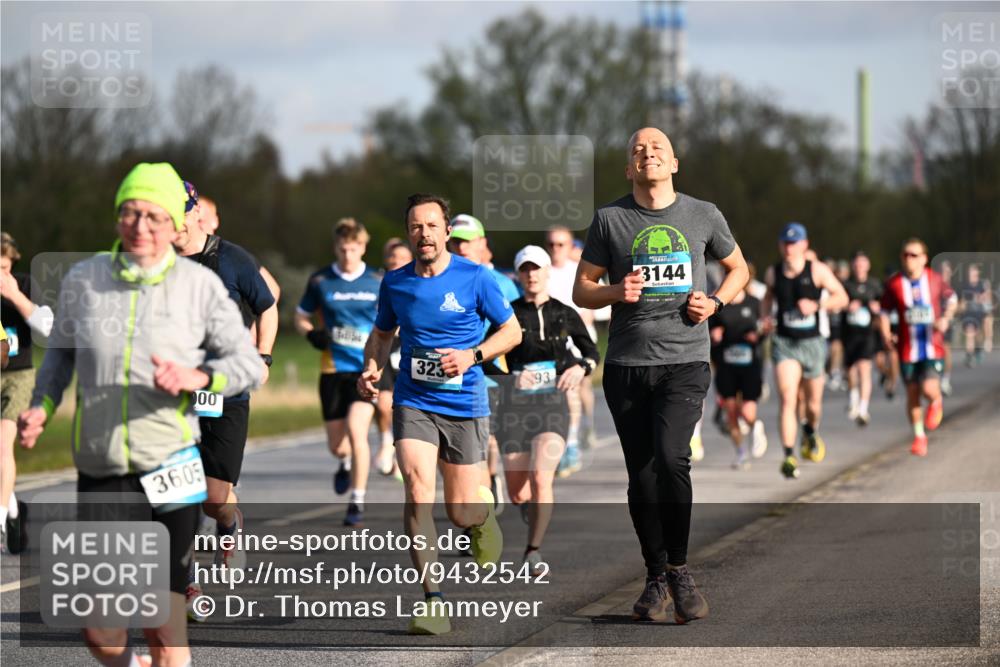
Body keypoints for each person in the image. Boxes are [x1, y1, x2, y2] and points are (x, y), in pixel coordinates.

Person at [18, 162, 263, 666]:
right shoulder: (86, 281)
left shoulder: (198, 287)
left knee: (164, 627)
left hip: (173, 463)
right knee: (102, 631)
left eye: (154, 215)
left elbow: (247, 367)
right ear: (117, 218)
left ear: (175, 225)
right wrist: (41, 405)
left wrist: (201, 378)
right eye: (130, 212)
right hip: (105, 466)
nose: (141, 225)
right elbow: (61, 353)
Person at [574, 127, 749, 624]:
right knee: (642, 476)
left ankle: (680, 568)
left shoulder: (703, 214)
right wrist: (615, 293)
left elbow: (740, 270)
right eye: (637, 151)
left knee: (673, 458)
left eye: (657, 149)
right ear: (629, 169)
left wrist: (715, 302)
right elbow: (581, 290)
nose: (647, 155)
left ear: (674, 163)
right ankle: (656, 578)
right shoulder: (610, 219)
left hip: (685, 360)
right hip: (627, 364)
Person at [356, 193, 521, 635]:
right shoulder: (395, 282)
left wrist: (474, 355)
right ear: (408, 232)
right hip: (414, 400)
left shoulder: (476, 277)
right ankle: (433, 601)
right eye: (415, 226)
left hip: (465, 401)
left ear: (446, 231)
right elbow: (382, 333)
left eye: (432, 225)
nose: (424, 233)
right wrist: (371, 365)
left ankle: (481, 517)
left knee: (460, 511)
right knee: (416, 488)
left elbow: (512, 331)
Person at [172, 181, 277, 616]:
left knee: (215, 498)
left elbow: (268, 305)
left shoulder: (232, 259)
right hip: (174, 393)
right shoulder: (153, 264)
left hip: (226, 391)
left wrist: (265, 358)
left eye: (175, 211)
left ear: (196, 212)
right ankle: (186, 586)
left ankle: (230, 525)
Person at [489, 245, 599, 575]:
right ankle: (528, 509)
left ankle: (532, 550)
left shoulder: (564, 312)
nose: (532, 274)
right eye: (525, 269)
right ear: (519, 275)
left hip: (552, 405)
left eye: (537, 268)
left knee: (541, 477)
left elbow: (591, 351)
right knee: (518, 492)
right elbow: (483, 356)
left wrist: (581, 368)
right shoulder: (506, 315)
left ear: (548, 271)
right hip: (514, 410)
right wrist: (509, 379)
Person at [295, 218, 381, 527]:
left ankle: (357, 500)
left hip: (364, 369)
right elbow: (301, 316)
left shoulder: (376, 280)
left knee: (358, 432)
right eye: (343, 249)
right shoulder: (321, 281)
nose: (348, 255)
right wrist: (311, 334)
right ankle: (344, 461)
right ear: (336, 248)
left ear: (363, 247)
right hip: (332, 369)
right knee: (337, 445)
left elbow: (391, 322)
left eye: (354, 249)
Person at [447, 213, 521, 513]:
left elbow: (518, 330)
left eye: (468, 242)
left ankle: (485, 489)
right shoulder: (442, 281)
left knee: (487, 440)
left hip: (494, 376)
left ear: (482, 244)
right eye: (456, 242)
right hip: (451, 378)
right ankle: (482, 490)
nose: (462, 248)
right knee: (460, 453)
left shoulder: (503, 283)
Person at [763, 223, 848, 480]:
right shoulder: (773, 273)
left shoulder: (818, 271)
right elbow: (767, 298)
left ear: (804, 245)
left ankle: (810, 431)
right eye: (785, 243)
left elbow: (841, 297)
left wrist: (817, 305)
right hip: (785, 343)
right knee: (788, 398)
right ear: (780, 245)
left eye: (794, 243)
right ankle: (789, 455)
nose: (789, 248)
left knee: (812, 404)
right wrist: (765, 317)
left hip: (812, 344)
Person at [1, 232, 54, 554]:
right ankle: (15, 511)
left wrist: (15, 295)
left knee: (2, 445)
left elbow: (48, 327)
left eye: (4, 268)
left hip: (19, 376)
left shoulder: (23, 284)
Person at [879, 238, 957, 456]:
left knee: (928, 389)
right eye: (905, 255)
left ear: (924, 258)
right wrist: (886, 334)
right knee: (912, 394)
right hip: (907, 349)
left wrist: (946, 319)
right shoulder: (894, 284)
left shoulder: (934, 279)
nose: (908, 259)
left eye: (913, 255)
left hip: (932, 347)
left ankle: (936, 400)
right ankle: (919, 436)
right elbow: (884, 311)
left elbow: (953, 299)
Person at [546, 225, 597, 474]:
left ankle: (573, 444)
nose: (556, 249)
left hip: (575, 341)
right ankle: (560, 442)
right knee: (554, 397)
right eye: (552, 244)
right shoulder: (540, 271)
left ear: (570, 247)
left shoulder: (579, 272)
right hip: (548, 343)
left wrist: (585, 315)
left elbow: (595, 302)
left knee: (571, 390)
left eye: (561, 244)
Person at [709, 282, 767, 469]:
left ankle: (756, 425)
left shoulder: (754, 303)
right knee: (731, 412)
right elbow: (709, 330)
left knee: (747, 411)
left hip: (750, 365)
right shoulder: (718, 304)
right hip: (726, 365)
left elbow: (764, 328)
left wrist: (759, 335)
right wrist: (714, 334)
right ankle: (741, 453)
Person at [373, 238, 412, 479]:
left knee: (404, 405)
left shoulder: (418, 282)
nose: (396, 262)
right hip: (386, 344)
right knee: (383, 403)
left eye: (402, 259)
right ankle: (387, 440)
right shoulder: (381, 283)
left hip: (409, 347)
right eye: (392, 258)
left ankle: (402, 449)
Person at [841, 251, 883, 426]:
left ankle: (864, 409)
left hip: (867, 333)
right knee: (850, 371)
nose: (859, 267)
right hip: (849, 333)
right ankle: (853, 397)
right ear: (853, 266)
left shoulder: (874, 285)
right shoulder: (845, 285)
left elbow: (884, 306)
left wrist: (876, 307)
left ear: (868, 265)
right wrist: (846, 306)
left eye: (862, 263)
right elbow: (837, 303)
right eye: (856, 264)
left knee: (865, 368)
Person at [958, 263, 993, 367]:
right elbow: (962, 303)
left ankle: (980, 348)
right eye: (970, 272)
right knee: (970, 332)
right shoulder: (964, 286)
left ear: (978, 273)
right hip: (969, 314)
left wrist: (985, 295)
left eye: (974, 271)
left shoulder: (982, 284)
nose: (972, 274)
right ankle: (969, 355)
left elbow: (988, 299)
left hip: (980, 313)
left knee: (979, 334)